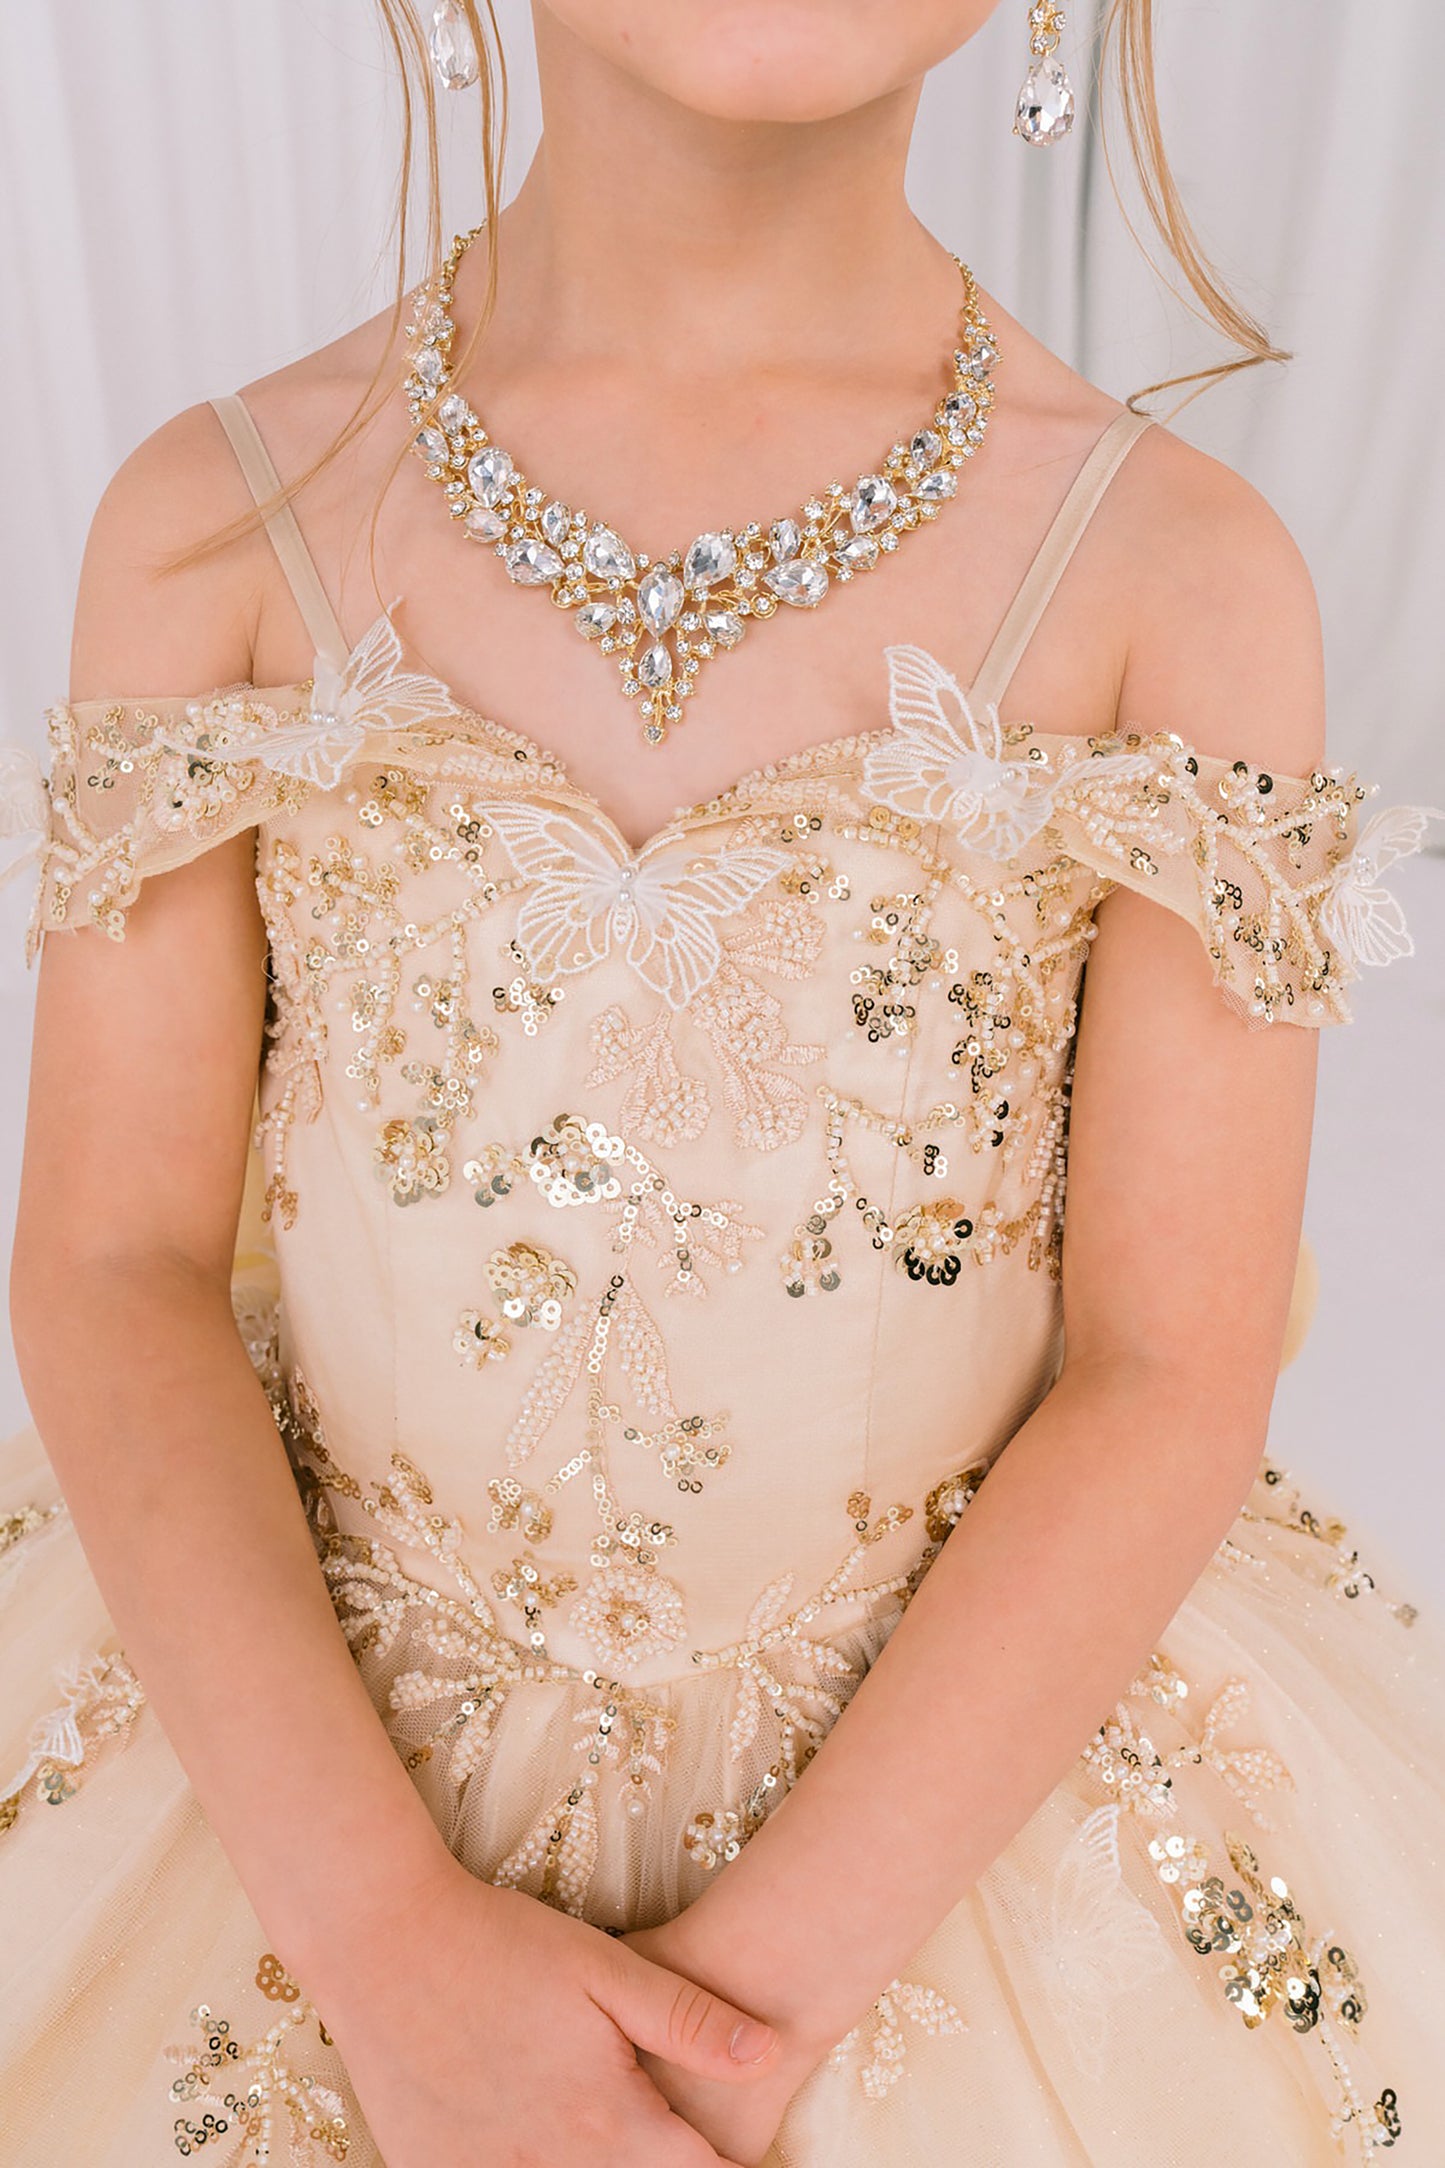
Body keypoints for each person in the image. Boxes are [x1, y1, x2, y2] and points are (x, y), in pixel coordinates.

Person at [1, 3, 1442, 2162]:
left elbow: (1171, 1365)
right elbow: (112, 1261)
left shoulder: (1177, 582)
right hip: (292, 1815)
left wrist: (701, 2055)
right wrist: (394, 1955)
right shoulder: (221, 529)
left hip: (959, 1857)